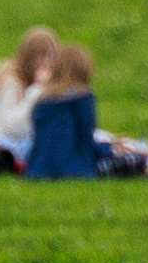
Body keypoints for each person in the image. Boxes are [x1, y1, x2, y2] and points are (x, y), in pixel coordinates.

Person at [0, 25, 58, 162]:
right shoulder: (10, 78)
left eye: (52, 57)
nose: (48, 63)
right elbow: (12, 126)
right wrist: (37, 91)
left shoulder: (34, 81)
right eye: (43, 56)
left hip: (14, 140)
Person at [26, 42, 103, 180]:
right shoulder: (82, 98)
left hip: (38, 168)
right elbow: (86, 137)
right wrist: (110, 150)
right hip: (73, 168)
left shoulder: (42, 100)